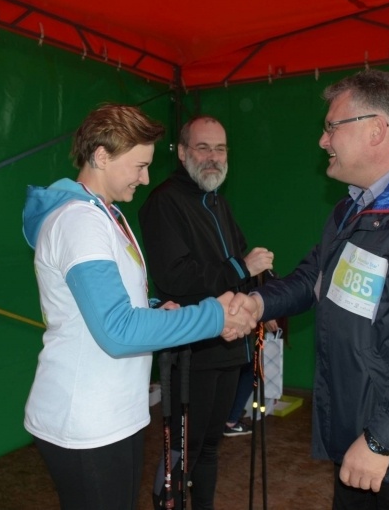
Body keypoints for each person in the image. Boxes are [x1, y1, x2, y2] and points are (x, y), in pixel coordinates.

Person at [229, 69, 389, 510]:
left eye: (331, 126)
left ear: (375, 130)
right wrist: (256, 304)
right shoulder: (351, 209)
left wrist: (380, 439)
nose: (322, 140)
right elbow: (312, 278)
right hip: (361, 431)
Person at [21, 104, 255, 510]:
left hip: (115, 413)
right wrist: (215, 316)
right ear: (101, 156)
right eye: (139, 166)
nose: (145, 178)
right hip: (85, 419)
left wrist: (155, 308)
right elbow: (118, 330)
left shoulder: (107, 215)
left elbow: (115, 302)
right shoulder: (80, 222)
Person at [138, 115, 275, 509]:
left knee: (211, 446)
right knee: (184, 449)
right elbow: (175, 277)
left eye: (220, 148)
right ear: (182, 153)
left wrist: (262, 297)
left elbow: (241, 264)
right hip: (191, 351)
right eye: (203, 148)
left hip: (229, 346)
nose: (213, 157)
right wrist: (240, 269)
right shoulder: (164, 202)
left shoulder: (217, 200)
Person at [223, 318, 279, 436]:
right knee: (249, 370)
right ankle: (231, 421)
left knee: (241, 370)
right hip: (238, 329)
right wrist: (266, 317)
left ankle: (227, 418)